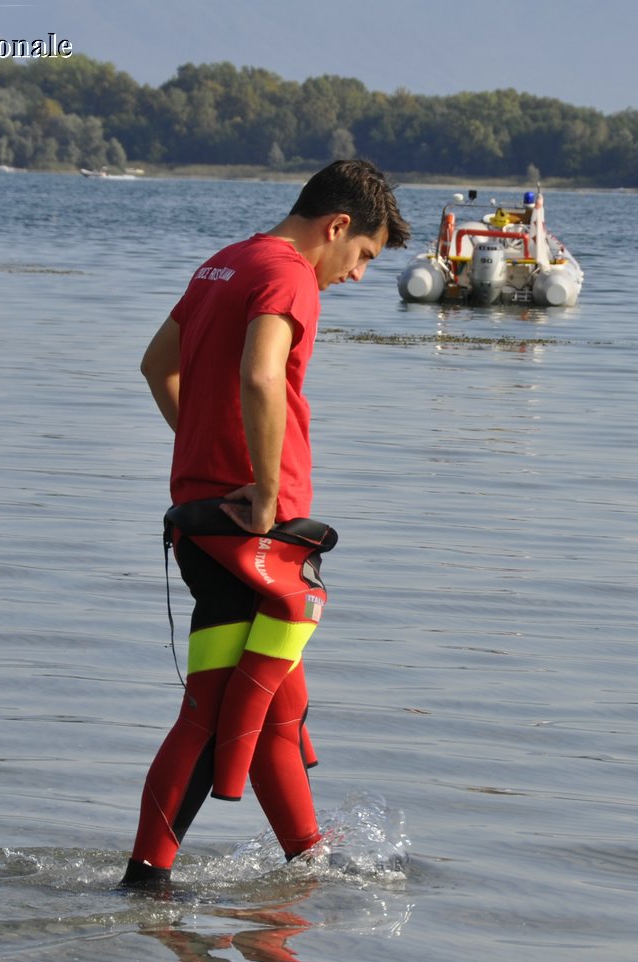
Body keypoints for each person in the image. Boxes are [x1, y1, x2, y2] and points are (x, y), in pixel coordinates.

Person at [121, 160, 410, 890]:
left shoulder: (225, 263)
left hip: (203, 519)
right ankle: (145, 879)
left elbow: (158, 366)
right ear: (336, 226)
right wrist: (262, 497)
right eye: (364, 256)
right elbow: (259, 374)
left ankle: (309, 868)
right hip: (253, 536)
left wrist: (210, 459)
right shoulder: (289, 276)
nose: (357, 276)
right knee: (211, 714)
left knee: (282, 709)